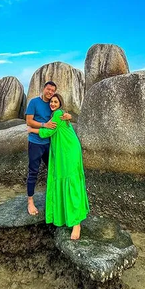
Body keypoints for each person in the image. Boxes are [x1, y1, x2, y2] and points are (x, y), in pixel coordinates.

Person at [27, 93, 89, 240]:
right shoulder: (58, 114)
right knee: (66, 180)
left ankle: (76, 223)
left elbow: (48, 131)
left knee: (71, 182)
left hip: (68, 151)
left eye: (55, 102)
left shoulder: (59, 114)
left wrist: (31, 130)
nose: (52, 104)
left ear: (60, 104)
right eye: (51, 102)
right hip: (64, 150)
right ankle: (66, 215)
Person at [25, 81, 71, 216]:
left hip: (49, 144)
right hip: (35, 143)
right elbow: (29, 121)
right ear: (43, 88)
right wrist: (44, 125)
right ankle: (30, 201)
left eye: (52, 90)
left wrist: (69, 116)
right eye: (48, 89)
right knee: (33, 171)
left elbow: (62, 116)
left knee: (53, 170)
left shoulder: (53, 104)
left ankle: (55, 198)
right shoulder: (34, 102)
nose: (50, 92)